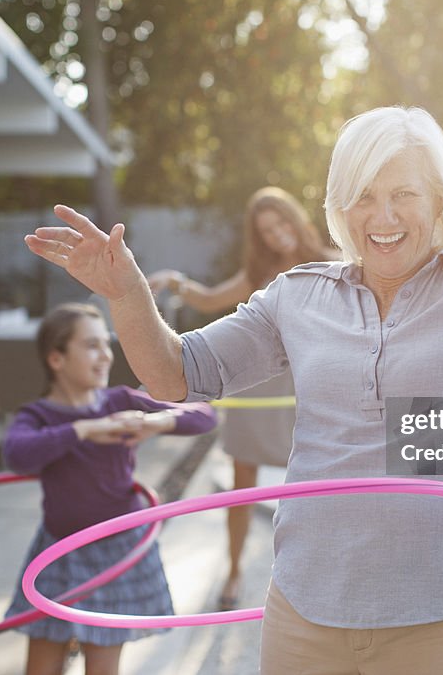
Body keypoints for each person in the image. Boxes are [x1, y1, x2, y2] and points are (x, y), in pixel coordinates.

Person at [23, 106, 443, 674]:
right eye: (365, 194)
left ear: (440, 198)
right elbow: (177, 374)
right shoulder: (296, 297)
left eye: (404, 192)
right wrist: (128, 293)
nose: (383, 214)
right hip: (306, 616)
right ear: (340, 205)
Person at [147, 186, 336, 610]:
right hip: (258, 388)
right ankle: (233, 571)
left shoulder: (333, 262)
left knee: (316, 483)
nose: (276, 235)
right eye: (266, 231)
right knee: (242, 482)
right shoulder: (260, 274)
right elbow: (211, 298)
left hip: (305, 389)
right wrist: (174, 283)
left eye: (281, 223)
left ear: (295, 218)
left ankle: (317, 575)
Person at [2, 302, 216, 675]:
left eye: (106, 344)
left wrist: (158, 423)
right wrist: (83, 430)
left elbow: (203, 414)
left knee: (102, 667)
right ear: (56, 359)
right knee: (40, 666)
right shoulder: (39, 417)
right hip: (59, 549)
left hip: (117, 550)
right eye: (91, 346)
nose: (105, 355)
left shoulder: (120, 401)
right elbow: (17, 455)